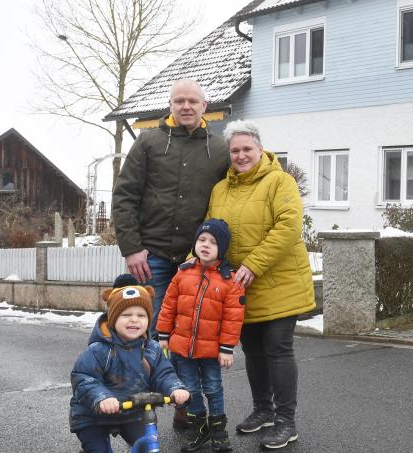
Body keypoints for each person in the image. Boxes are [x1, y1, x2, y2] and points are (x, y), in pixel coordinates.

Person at [112, 79, 229, 428]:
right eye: (179, 101)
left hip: (196, 261)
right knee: (139, 331)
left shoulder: (220, 148)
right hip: (153, 257)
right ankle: (131, 407)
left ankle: (185, 404)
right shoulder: (149, 141)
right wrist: (132, 248)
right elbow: (125, 196)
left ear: (205, 106)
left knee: (189, 334)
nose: (186, 106)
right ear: (170, 105)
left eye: (193, 101)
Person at [205, 119, 315, 449]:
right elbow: (210, 231)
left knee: (278, 349)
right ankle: (263, 411)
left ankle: (285, 420)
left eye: (246, 149)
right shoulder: (220, 189)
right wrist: (195, 263)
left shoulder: (280, 181)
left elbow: (288, 227)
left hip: (279, 282)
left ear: (260, 149)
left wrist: (253, 263)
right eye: (235, 150)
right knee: (253, 351)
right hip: (240, 287)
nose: (240, 156)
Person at [69, 274, 191, 453]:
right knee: (98, 449)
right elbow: (84, 379)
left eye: (141, 315)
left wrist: (175, 388)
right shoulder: (99, 350)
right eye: (126, 315)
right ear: (113, 318)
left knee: (148, 445)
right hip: (94, 415)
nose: (134, 320)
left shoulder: (152, 349)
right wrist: (102, 398)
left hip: (133, 412)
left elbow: (164, 374)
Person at [156, 219, 245, 452]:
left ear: (222, 249)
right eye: (201, 240)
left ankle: (218, 430)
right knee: (190, 389)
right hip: (182, 347)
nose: (206, 245)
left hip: (211, 350)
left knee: (213, 388)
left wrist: (227, 348)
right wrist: (163, 334)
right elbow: (168, 305)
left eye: (213, 242)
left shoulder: (230, 280)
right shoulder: (182, 273)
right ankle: (198, 427)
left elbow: (233, 318)